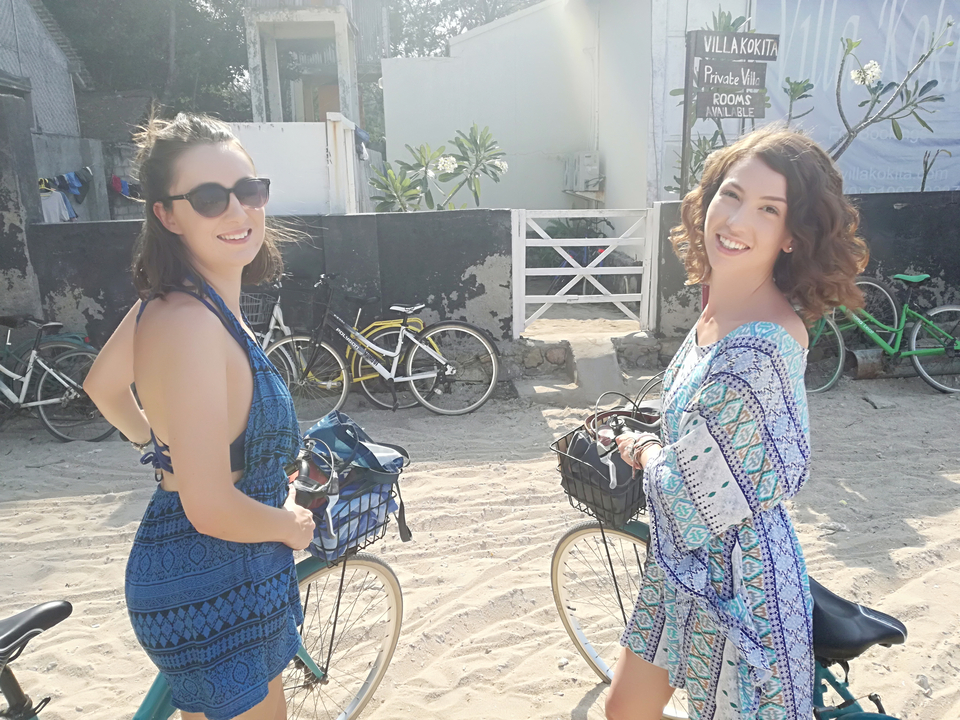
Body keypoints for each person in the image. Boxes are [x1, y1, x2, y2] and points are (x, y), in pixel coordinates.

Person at [605, 126, 868, 720]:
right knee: (623, 711)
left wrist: (646, 451)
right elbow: (710, 432)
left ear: (793, 236)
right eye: (732, 194)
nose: (738, 220)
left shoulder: (760, 349)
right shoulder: (718, 311)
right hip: (679, 569)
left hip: (738, 593)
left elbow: (693, 497)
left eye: (768, 209)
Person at [84, 113, 315, 720]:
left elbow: (103, 386)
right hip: (213, 572)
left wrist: (164, 449)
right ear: (167, 214)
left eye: (249, 191)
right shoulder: (190, 324)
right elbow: (209, 505)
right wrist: (289, 526)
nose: (238, 213)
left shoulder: (175, 302)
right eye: (210, 198)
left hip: (222, 560)